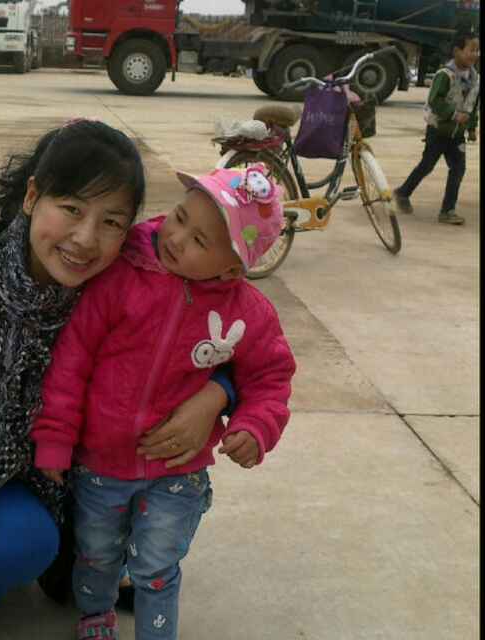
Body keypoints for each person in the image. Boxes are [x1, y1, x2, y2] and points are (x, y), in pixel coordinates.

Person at [0, 120, 236, 640]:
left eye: (111, 222)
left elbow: (228, 336)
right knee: (24, 539)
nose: (85, 239)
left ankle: (82, 552)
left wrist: (218, 393)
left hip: (70, 474)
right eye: (71, 209)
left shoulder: (127, 286)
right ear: (32, 196)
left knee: (165, 496)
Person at [30, 165, 297, 640]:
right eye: (179, 217)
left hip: (178, 471)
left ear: (232, 269)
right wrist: (55, 436)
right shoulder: (121, 277)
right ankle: (96, 615)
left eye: (200, 241)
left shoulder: (248, 314)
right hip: (101, 464)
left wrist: (255, 427)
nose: (175, 237)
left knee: (157, 566)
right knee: (96, 554)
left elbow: (270, 378)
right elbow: (72, 359)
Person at [393, 30, 480, 225]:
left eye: (477, 50)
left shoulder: (475, 79)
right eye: (471, 49)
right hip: (438, 130)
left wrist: (472, 127)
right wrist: (454, 114)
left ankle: (447, 210)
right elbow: (435, 100)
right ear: (457, 51)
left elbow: (473, 105)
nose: (475, 54)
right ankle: (402, 193)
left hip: (457, 134)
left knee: (458, 169)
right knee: (427, 165)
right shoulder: (445, 75)